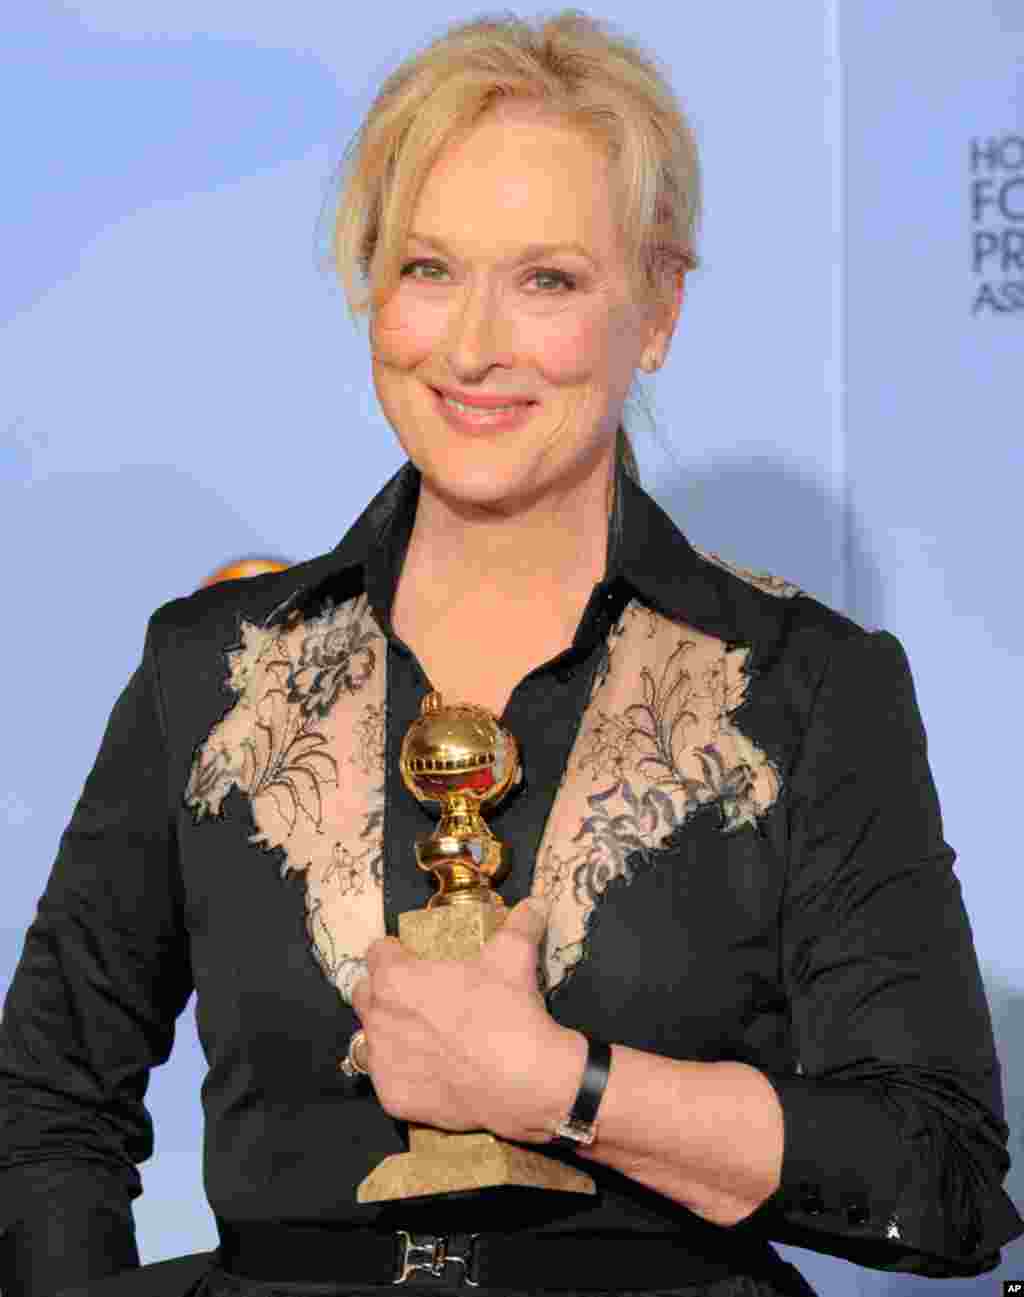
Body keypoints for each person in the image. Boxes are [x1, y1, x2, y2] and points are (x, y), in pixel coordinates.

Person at [1, 9, 1021, 1297]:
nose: (473, 345)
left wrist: (560, 1088)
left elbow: (937, 1176)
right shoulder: (209, 669)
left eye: (547, 279)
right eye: (429, 267)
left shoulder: (804, 688)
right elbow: (44, 1102)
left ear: (655, 311)